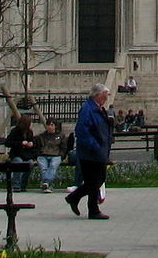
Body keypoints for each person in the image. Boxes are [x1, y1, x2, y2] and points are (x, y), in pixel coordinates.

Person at [66, 83, 111, 220]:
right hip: (90, 153)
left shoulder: (98, 109)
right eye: (104, 96)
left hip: (99, 151)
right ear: (96, 95)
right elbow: (82, 131)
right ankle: (93, 209)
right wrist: (95, 146)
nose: (106, 99)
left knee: (98, 179)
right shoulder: (87, 109)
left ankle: (74, 197)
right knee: (93, 181)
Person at [34, 119, 67, 192]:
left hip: (56, 155)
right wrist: (38, 154)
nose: (49, 127)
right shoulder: (41, 136)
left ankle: (46, 183)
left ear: (55, 126)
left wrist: (61, 155)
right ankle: (48, 184)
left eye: (52, 125)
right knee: (43, 168)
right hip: (43, 155)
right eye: (48, 125)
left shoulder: (61, 136)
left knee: (53, 166)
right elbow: (37, 147)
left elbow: (64, 147)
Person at [5, 114, 36, 192]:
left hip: (26, 155)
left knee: (30, 163)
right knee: (18, 162)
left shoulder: (30, 132)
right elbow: (8, 143)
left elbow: (32, 143)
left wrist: (31, 144)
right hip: (16, 154)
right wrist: (20, 143)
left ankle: (23, 184)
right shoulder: (15, 131)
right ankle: (16, 185)